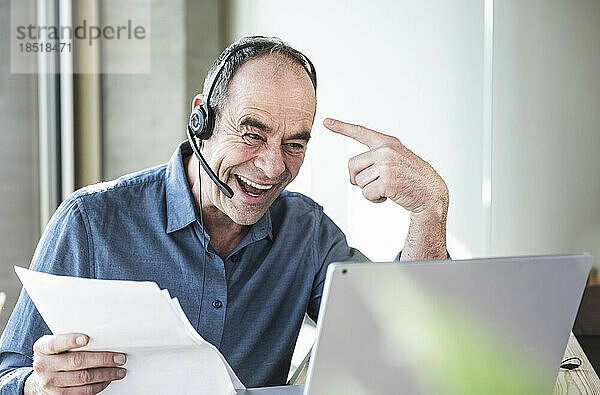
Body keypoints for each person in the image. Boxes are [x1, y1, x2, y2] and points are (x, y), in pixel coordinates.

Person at [0, 36, 449, 394]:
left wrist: (429, 213)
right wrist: (37, 387)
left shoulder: (306, 231)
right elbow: (8, 375)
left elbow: (403, 339)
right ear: (201, 119)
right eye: (252, 134)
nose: (273, 168)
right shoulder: (91, 223)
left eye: (294, 144)